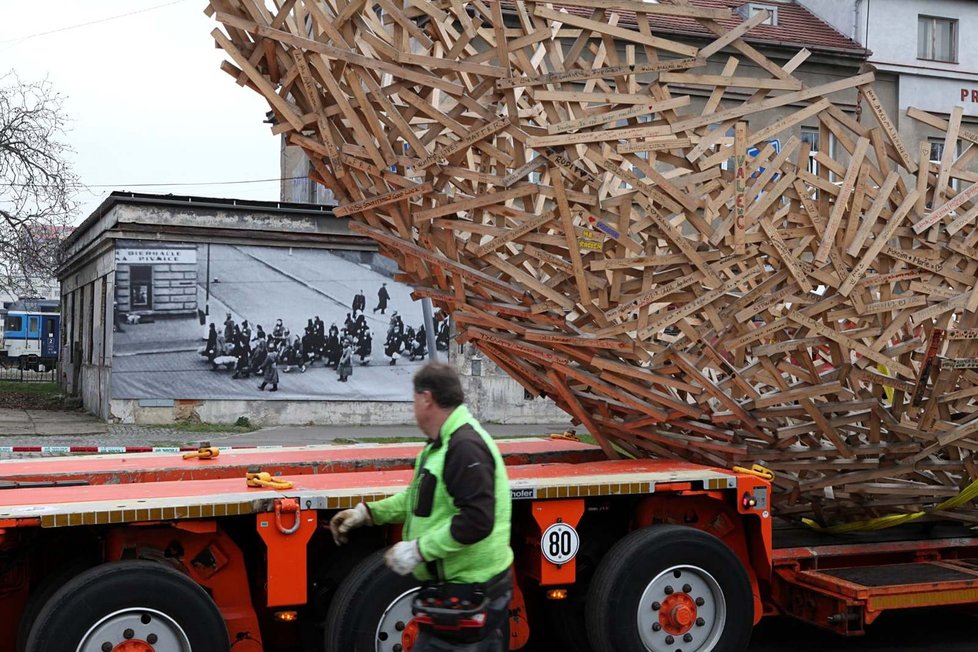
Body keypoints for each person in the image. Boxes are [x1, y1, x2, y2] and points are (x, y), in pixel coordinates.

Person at [329, 363, 513, 651]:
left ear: (427, 398)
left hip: (471, 591)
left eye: (414, 399)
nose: (413, 406)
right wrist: (367, 513)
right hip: (456, 594)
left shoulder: (464, 447)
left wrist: (418, 551)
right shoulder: (440, 446)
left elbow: (477, 520)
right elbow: (416, 499)